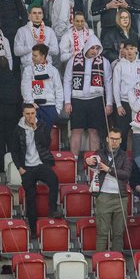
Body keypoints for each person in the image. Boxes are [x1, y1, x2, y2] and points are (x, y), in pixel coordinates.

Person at [11, 104, 62, 232]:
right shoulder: (18, 129)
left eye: (32, 113)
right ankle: (33, 229)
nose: (30, 116)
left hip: (41, 163)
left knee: (54, 181)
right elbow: (14, 151)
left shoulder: (42, 125)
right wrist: (20, 168)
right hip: (27, 168)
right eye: (27, 114)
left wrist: (35, 129)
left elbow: (46, 143)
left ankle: (52, 209)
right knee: (31, 197)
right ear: (23, 114)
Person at [63, 38, 113, 156]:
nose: (95, 51)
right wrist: (67, 101)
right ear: (87, 47)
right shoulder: (74, 60)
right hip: (77, 100)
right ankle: (73, 160)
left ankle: (93, 161)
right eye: (92, 48)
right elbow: (67, 81)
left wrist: (109, 103)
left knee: (93, 130)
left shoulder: (104, 62)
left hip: (96, 100)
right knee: (76, 130)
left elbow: (108, 83)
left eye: (97, 48)